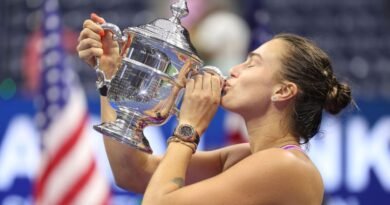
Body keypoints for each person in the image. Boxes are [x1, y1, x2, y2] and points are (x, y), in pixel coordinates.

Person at [77, 13, 352, 205]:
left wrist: (189, 128)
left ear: (283, 91)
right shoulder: (247, 157)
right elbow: (131, 173)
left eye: (251, 63)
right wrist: (112, 78)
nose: (234, 70)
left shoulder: (287, 165)